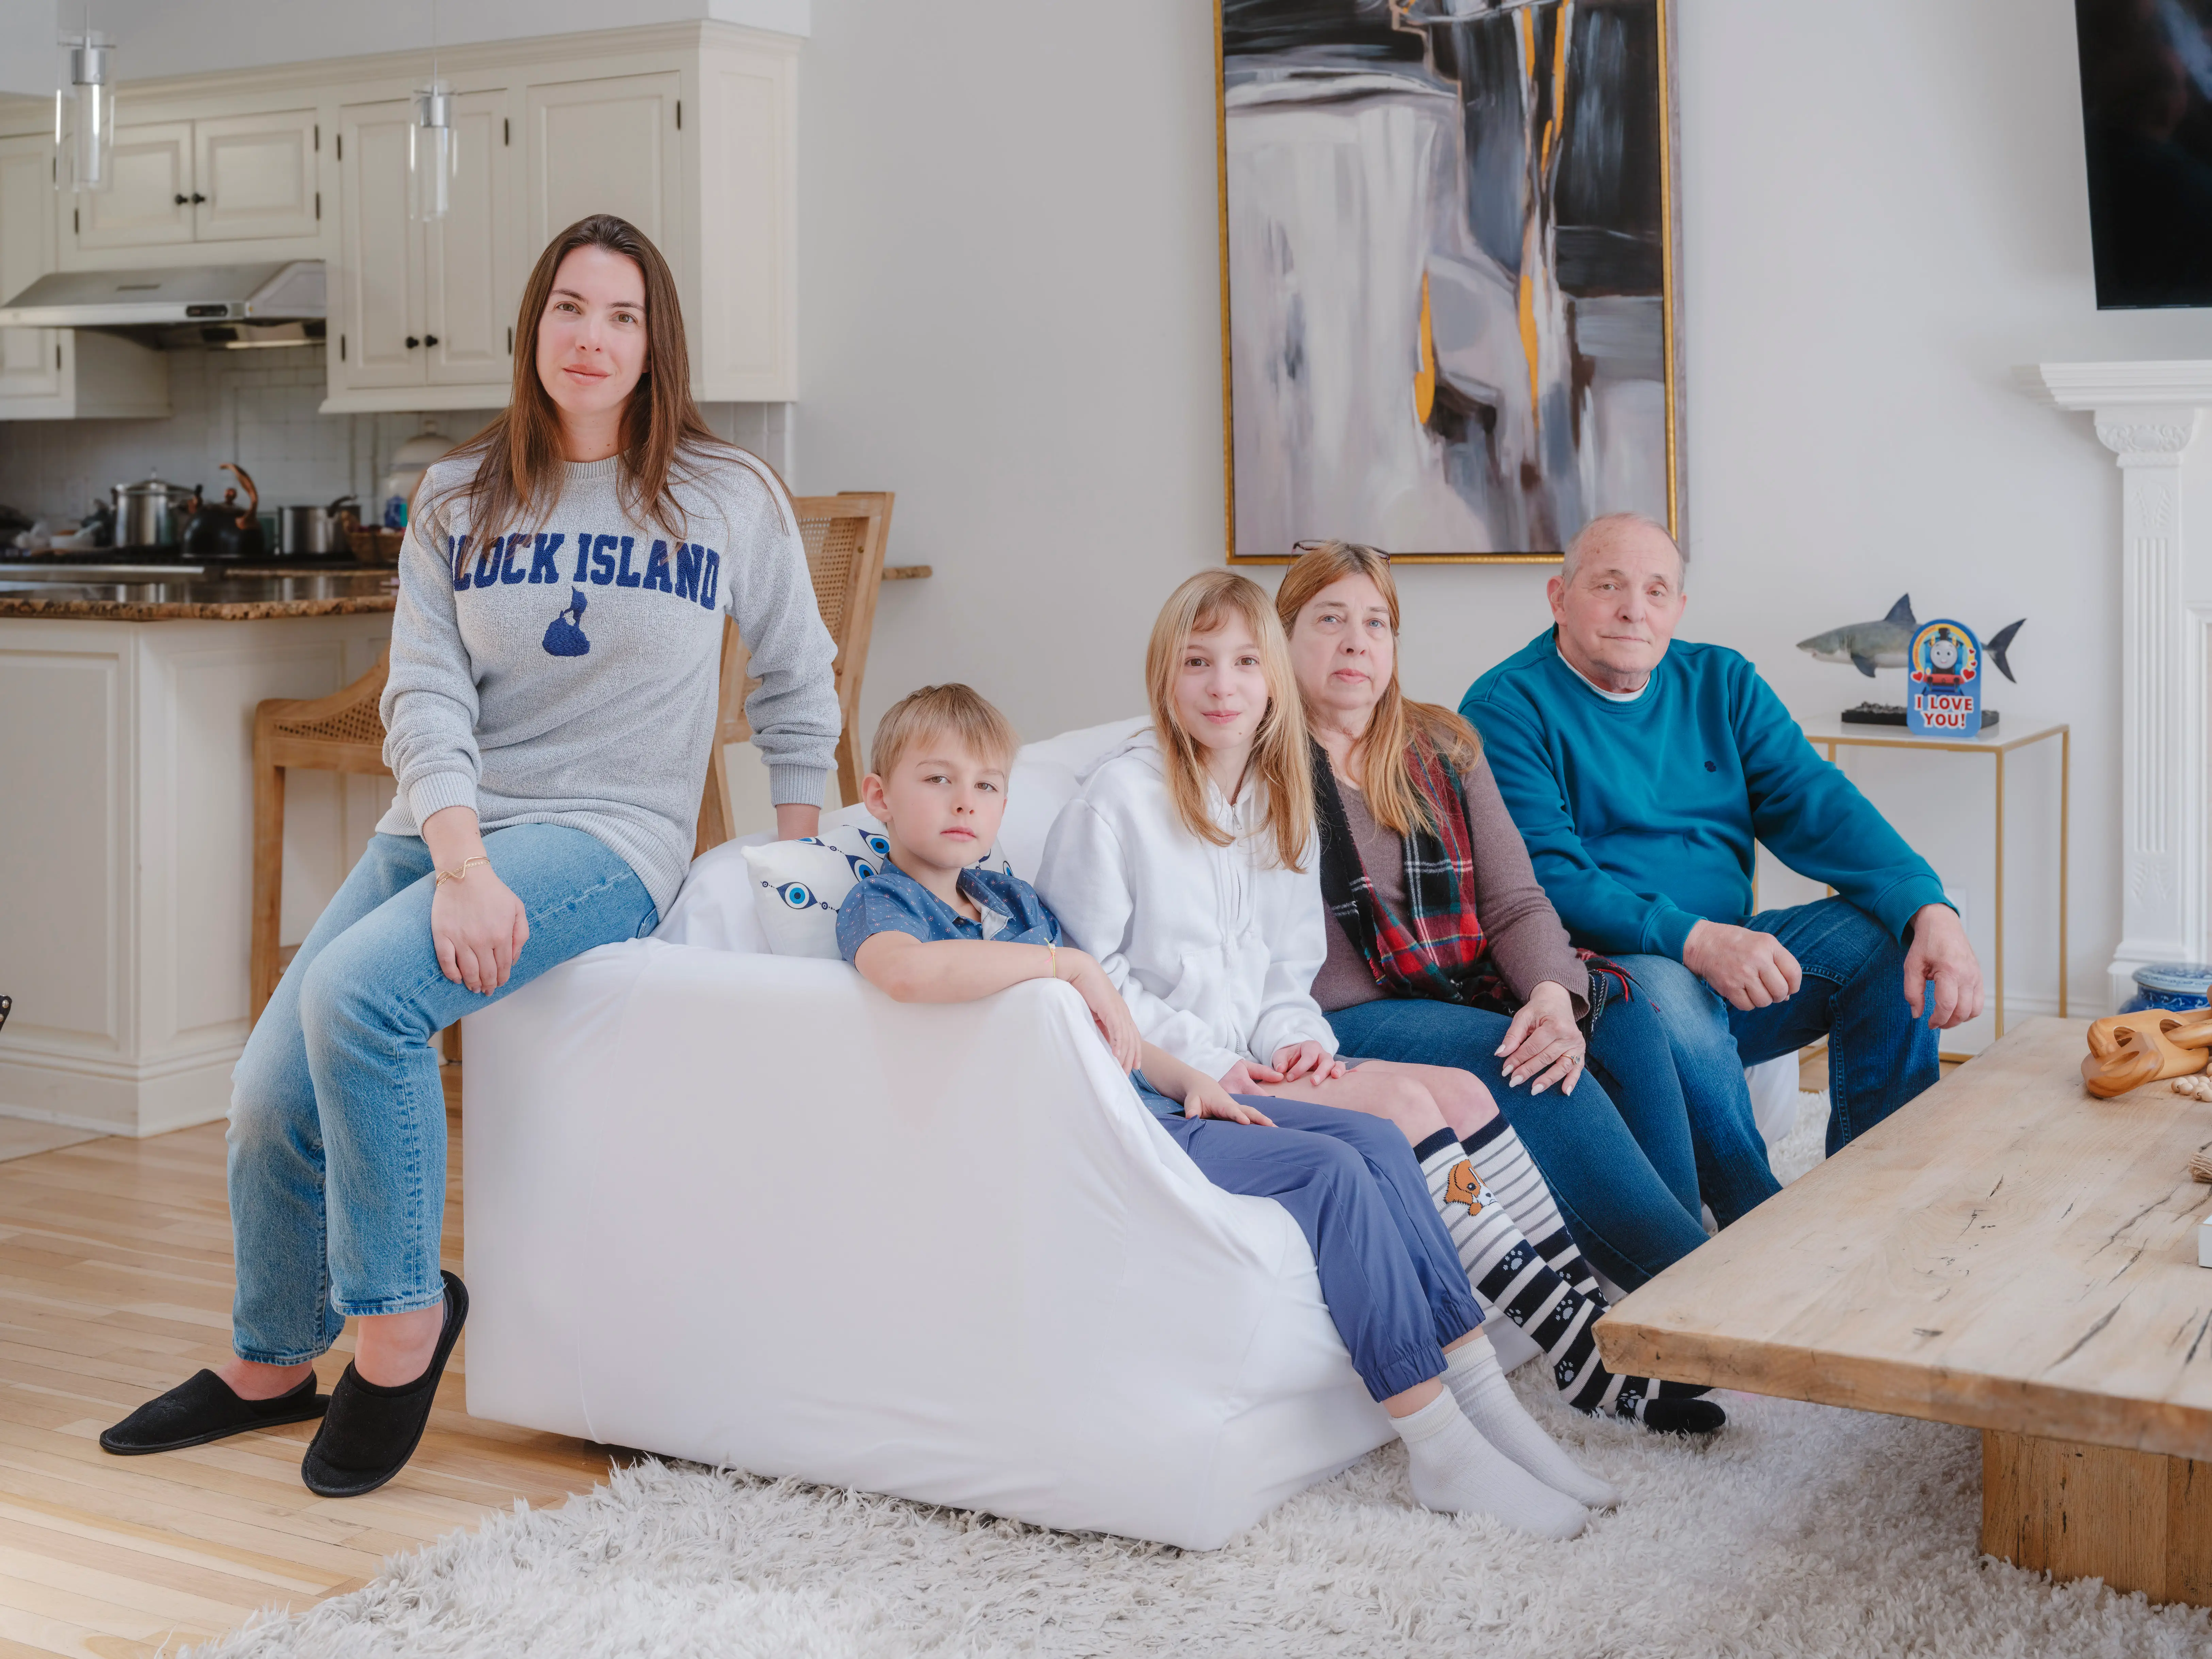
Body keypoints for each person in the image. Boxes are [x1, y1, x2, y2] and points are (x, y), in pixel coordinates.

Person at [98, 215, 841, 1496]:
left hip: (609, 835)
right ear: (532, 328)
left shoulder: (726, 494)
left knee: (362, 997)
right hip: (443, 826)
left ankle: (398, 1328)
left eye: (622, 315)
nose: (593, 337)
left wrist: (799, 875)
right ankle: (274, 1363)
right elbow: (425, 694)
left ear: (657, 339)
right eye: (569, 308)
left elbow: (797, 678)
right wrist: (455, 854)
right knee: (267, 1095)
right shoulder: (459, 493)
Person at [842, 681, 1602, 1537]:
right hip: (1100, 1134)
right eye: (936, 781)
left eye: (984, 786)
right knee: (1331, 1174)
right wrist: (1070, 969)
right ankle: (1441, 1450)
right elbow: (906, 973)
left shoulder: (1010, 902)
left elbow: (1111, 1032)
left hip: (1153, 1100)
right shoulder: (884, 903)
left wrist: (1186, 1076)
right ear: (879, 796)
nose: (963, 803)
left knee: (1383, 1142)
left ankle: (1487, 1411)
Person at [1037, 570, 1695, 1431]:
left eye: (1242, 662)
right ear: (1165, 677)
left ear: (1267, 674)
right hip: (1178, 1074)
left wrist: (1294, 1036)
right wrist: (1219, 1057)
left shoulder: (1278, 802)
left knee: (1503, 1072)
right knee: (1437, 1091)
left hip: (1269, 1056)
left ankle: (1586, 1330)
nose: (1223, 684)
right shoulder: (1118, 803)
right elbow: (1091, 979)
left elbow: (1284, 971)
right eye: (1197, 663)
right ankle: (1608, 1333)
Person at [1278, 544, 1740, 1388]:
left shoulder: (1442, 743)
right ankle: (1700, 1301)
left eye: (1375, 622)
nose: (1356, 642)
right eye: (1330, 620)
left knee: (1624, 1010)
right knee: (1520, 1059)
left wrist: (1555, 997)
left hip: (1468, 980)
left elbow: (1517, 903)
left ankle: (1664, 1288)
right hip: (1349, 1011)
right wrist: (1530, 1023)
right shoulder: (1261, 763)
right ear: (1286, 637)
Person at [1461, 513, 1984, 1202]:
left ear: (1677, 609)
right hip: (1603, 976)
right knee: (1671, 996)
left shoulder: (1722, 682)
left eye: (1655, 591)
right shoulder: (1506, 705)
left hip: (1725, 956)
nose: (1632, 610)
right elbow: (1546, 878)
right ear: (1559, 597)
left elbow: (1814, 801)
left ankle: (1879, 1202)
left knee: (1891, 945)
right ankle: (1751, 1224)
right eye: (1608, 585)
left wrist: (1927, 905)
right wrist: (1696, 940)